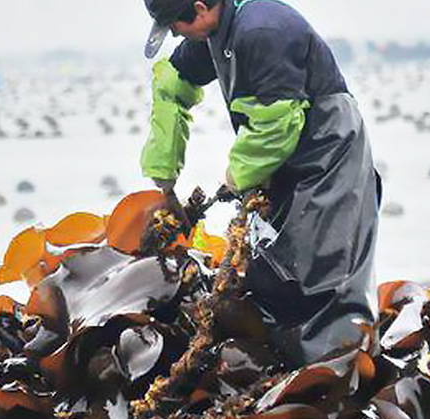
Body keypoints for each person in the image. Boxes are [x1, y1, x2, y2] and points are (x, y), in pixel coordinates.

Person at [140, 0, 382, 366]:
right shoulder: (214, 37)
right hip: (281, 159)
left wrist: (234, 178)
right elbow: (169, 87)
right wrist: (165, 176)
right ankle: (286, 368)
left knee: (324, 269)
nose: (175, 34)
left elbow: (276, 125)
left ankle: (340, 371)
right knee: (272, 266)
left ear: (201, 8)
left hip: (329, 150)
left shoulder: (261, 31)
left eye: (176, 25)